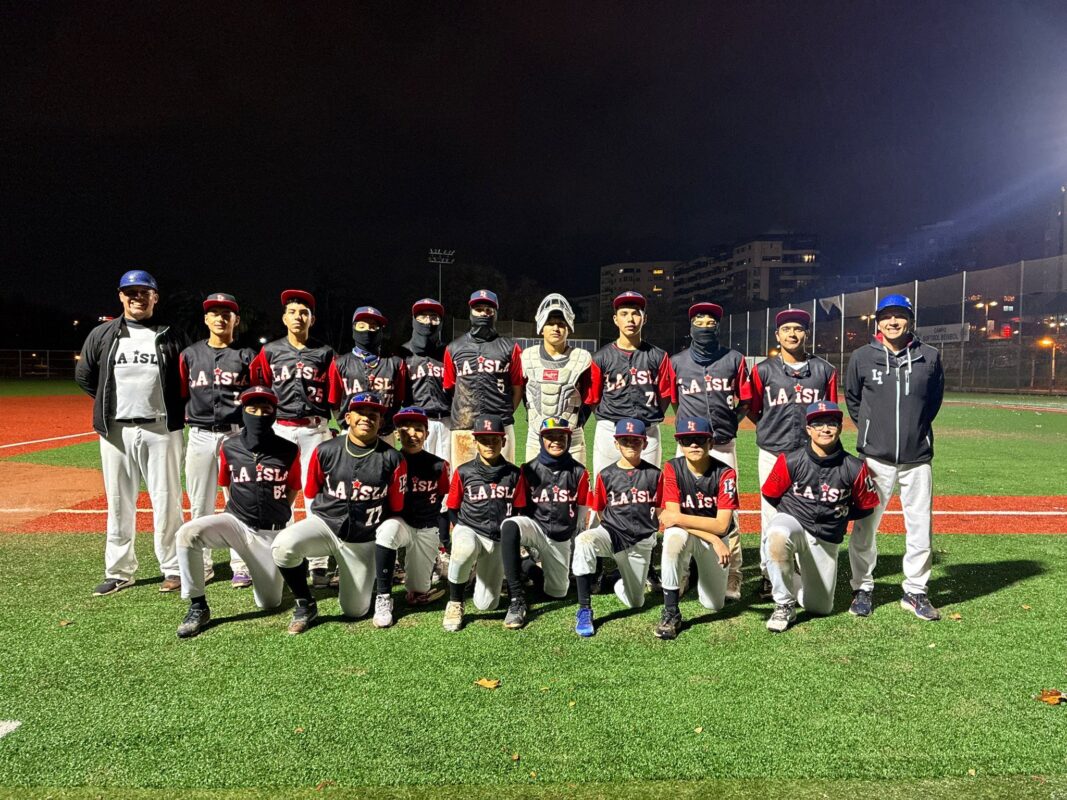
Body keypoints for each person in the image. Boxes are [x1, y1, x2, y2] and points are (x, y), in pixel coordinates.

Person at [75, 269, 191, 596]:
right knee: (118, 501)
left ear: (155, 297)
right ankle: (119, 571)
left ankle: (173, 567)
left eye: (143, 292)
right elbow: (85, 376)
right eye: (130, 292)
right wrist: (109, 405)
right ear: (121, 296)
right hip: (116, 431)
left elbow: (186, 377)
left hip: (161, 429)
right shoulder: (103, 334)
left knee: (167, 500)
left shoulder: (171, 334)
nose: (137, 297)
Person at [845, 294, 945, 621]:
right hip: (875, 458)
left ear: (910, 320)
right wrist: (871, 431)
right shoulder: (862, 357)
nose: (892, 322)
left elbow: (932, 402)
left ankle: (915, 591)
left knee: (920, 527)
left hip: (917, 458)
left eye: (899, 315)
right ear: (878, 322)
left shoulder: (929, 356)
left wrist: (916, 431)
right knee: (865, 527)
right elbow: (853, 400)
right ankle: (862, 587)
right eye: (886, 316)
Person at [270, 393, 405, 634]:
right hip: (326, 526)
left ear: (381, 422)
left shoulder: (393, 458)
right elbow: (311, 491)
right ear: (348, 417)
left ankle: (359, 576)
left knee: (355, 611)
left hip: (363, 538)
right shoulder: (325, 450)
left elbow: (396, 506)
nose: (366, 418)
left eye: (373, 415)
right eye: (360, 413)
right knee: (283, 546)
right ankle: (305, 603)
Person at [174, 387, 302, 638]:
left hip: (270, 533)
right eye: (252, 408)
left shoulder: (288, 449)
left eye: (266, 409)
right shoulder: (230, 446)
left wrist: (277, 513)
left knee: (269, 603)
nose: (259, 414)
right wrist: (238, 512)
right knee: (188, 533)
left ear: (274, 413)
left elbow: (293, 488)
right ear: (243, 411)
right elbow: (226, 484)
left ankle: (275, 570)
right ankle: (198, 606)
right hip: (237, 523)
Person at [760, 401, 880, 632]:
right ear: (809, 429)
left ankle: (792, 575)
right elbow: (771, 494)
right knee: (777, 536)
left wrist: (839, 515)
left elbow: (866, 506)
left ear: (840, 428)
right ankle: (783, 604)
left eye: (831, 423)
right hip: (794, 522)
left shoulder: (854, 467)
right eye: (818, 424)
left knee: (820, 607)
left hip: (826, 535)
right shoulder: (790, 460)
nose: (825, 429)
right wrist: (792, 513)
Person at [748, 308, 837, 598]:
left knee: (809, 509)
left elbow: (831, 412)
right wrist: (770, 430)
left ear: (806, 334)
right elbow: (754, 409)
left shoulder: (824, 370)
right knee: (770, 512)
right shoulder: (762, 370)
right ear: (777, 335)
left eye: (798, 329)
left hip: (810, 455)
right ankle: (767, 573)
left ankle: (803, 569)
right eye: (786, 329)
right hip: (773, 452)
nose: (792, 334)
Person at [250, 289, 335, 586]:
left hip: (315, 428)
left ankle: (318, 562)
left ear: (312, 319)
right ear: (284, 318)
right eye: (293, 312)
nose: (298, 317)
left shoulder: (325, 353)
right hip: (281, 429)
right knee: (277, 493)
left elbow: (335, 390)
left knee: (316, 495)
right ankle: (280, 556)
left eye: (304, 312)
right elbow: (258, 388)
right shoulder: (270, 351)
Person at [669, 301, 750, 600]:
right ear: (691, 326)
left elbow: (745, 400)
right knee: (684, 507)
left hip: (723, 444)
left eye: (711, 322)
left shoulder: (734, 359)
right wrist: (689, 431)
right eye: (699, 321)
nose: (705, 326)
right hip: (689, 446)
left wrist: (729, 422)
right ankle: (684, 572)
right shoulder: (676, 362)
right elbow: (675, 402)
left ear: (718, 326)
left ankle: (733, 574)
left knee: (729, 512)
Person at [178, 292, 256, 588]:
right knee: (200, 503)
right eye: (215, 313)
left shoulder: (247, 355)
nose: (221, 318)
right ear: (206, 319)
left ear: (236, 320)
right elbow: (181, 393)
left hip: (236, 435)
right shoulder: (190, 354)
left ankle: (241, 564)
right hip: (199, 434)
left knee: (238, 502)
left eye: (227, 314)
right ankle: (203, 563)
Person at [571, 418, 663, 637]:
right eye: (625, 440)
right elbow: (600, 510)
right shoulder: (606, 475)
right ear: (616, 444)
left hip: (639, 541)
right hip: (612, 534)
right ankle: (584, 608)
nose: (630, 444)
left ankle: (617, 580)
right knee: (584, 541)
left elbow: (660, 509)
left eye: (636, 440)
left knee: (636, 602)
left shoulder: (654, 474)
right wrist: (614, 529)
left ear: (645, 443)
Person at [500, 416, 591, 629]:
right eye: (550, 436)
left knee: (557, 592)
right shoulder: (528, 469)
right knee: (510, 525)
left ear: (568, 439)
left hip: (560, 536)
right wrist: (523, 539)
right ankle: (516, 598)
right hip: (535, 528)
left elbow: (582, 510)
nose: (556, 441)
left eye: (561, 436)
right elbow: (520, 506)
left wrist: (575, 540)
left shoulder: (579, 472)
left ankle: (528, 567)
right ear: (542, 440)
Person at [654, 416, 739, 640]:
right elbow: (672, 522)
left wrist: (714, 535)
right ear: (680, 444)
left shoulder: (726, 473)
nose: (693, 445)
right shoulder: (672, 467)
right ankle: (670, 611)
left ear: (711, 443)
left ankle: (694, 573)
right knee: (672, 539)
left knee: (714, 604)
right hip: (697, 536)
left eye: (700, 439)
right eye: (687, 440)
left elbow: (721, 524)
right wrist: (714, 538)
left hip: (713, 538)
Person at [442, 413, 527, 632]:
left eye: (494, 439)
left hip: (498, 539)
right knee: (464, 548)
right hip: (470, 529)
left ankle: (477, 577)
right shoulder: (464, 471)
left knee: (487, 604)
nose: (489, 444)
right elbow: (452, 507)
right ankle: (455, 601)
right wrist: (459, 532)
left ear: (503, 441)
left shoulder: (514, 474)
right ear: (475, 442)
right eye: (484, 439)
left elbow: (519, 509)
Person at [371, 406, 451, 628]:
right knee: (387, 532)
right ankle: (383, 596)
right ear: (397, 434)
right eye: (405, 428)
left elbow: (441, 497)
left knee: (418, 591)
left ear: (426, 434)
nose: (412, 434)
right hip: (401, 523)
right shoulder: (389, 460)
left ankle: (432, 562)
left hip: (426, 527)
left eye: (418, 429)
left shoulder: (439, 465)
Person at [589, 291, 672, 479]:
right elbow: (594, 398)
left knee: (648, 486)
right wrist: (608, 417)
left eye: (636, 313)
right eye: (624, 314)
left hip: (647, 430)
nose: (630, 319)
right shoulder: (600, 357)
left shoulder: (659, 356)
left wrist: (649, 415)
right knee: (605, 484)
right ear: (615, 319)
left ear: (644, 318)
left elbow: (665, 395)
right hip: (610, 429)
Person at [443, 290, 523, 463]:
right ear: (471, 312)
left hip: (500, 427)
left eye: (488, 310)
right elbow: (450, 387)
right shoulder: (453, 348)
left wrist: (505, 412)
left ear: (495, 313)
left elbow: (517, 388)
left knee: (504, 476)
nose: (483, 314)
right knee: (463, 476)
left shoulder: (510, 347)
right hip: (465, 427)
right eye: (478, 309)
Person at [520, 294, 595, 463]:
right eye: (550, 323)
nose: (556, 328)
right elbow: (522, 392)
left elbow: (590, 397)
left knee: (575, 481)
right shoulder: (527, 357)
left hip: (572, 438)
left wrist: (578, 421)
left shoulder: (582, 359)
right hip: (536, 436)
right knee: (533, 480)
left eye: (561, 324)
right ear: (541, 327)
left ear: (569, 328)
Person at [329, 305, 406, 444]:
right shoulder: (339, 363)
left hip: (385, 435)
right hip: (350, 434)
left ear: (381, 331)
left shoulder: (396, 363)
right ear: (354, 328)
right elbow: (334, 403)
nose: (368, 330)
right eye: (362, 326)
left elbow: (398, 401)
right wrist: (345, 424)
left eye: (373, 327)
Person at [399, 298, 451, 463]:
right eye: (423, 316)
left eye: (434, 317)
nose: (428, 321)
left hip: (447, 422)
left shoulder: (449, 352)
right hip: (416, 423)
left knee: (448, 470)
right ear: (414, 320)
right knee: (417, 470)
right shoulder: (402, 354)